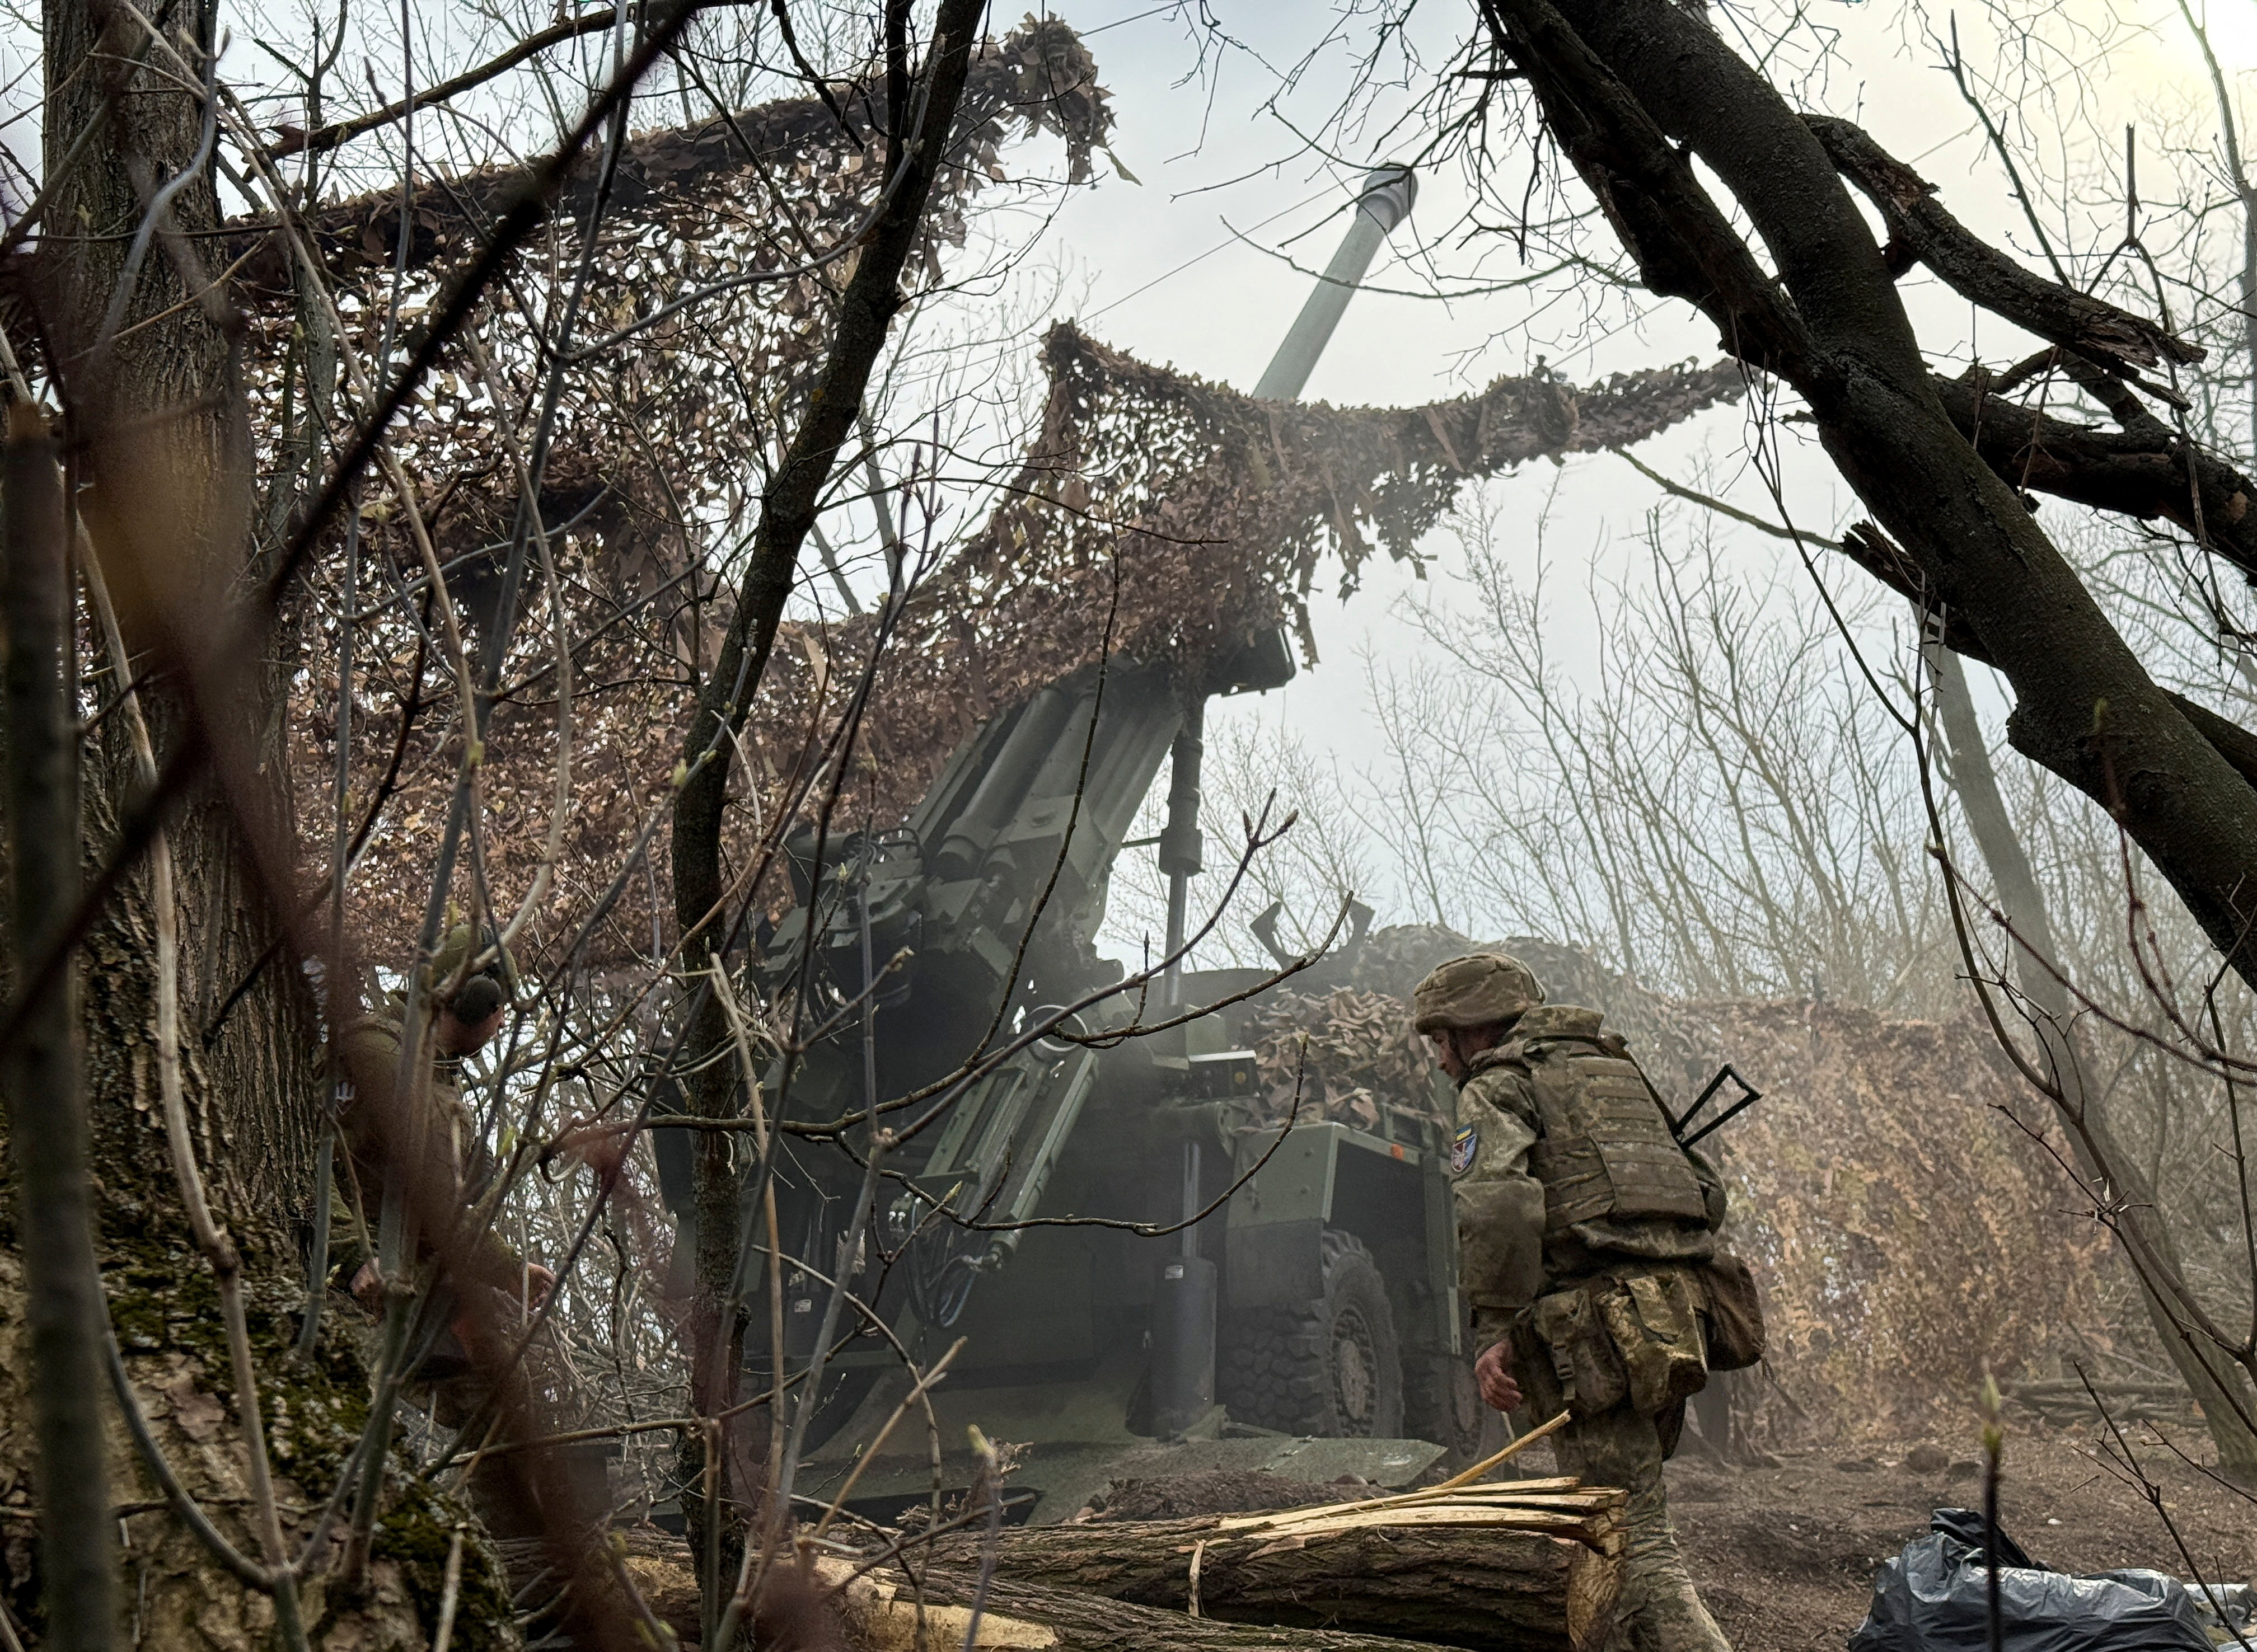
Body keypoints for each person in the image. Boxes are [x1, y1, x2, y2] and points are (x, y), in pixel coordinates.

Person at [1416, 951, 1734, 1652]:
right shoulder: (1613, 1072)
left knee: (1635, 1544)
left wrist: (1494, 1329)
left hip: (1598, 1336)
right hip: (1672, 1323)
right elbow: (1707, 1194)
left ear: (1474, 1029)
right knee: (1606, 1542)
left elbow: (1497, 1208)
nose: (1439, 1059)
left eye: (1440, 1038)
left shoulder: (1498, 1086)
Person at [329, 925, 551, 1414]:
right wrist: (348, 1254)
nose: (498, 1026)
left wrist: (506, 1271)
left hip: (411, 1271)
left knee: (502, 1396)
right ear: (476, 1000)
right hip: (359, 1276)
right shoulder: (378, 1055)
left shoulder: (437, 1072)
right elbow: (311, 1161)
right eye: (499, 1010)